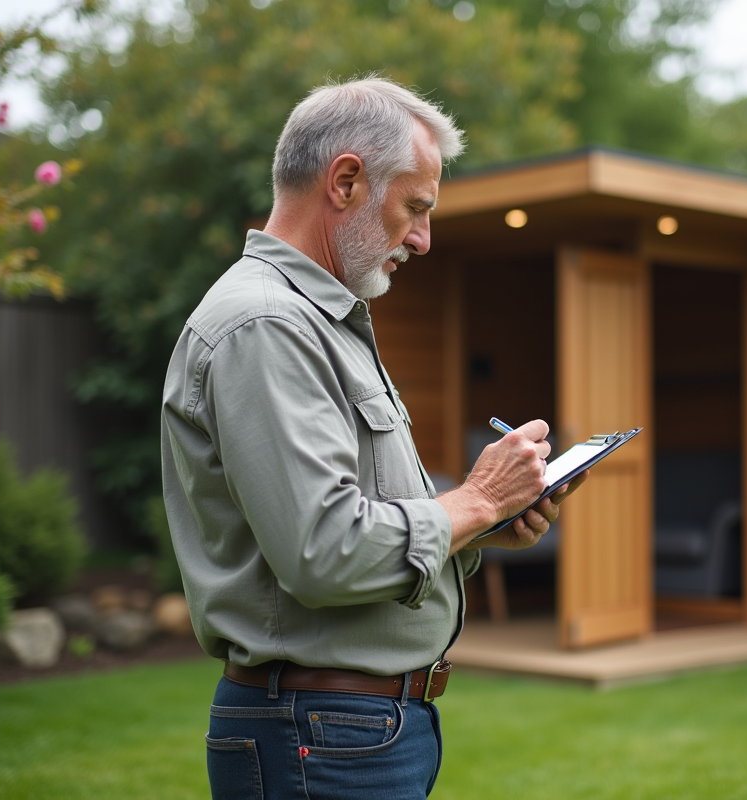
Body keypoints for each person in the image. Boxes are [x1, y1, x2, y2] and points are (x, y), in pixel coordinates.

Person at [161, 76, 587, 799]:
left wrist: (482, 527)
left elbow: (358, 522)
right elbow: (322, 550)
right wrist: (477, 502)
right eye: (416, 208)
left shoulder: (320, 323)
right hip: (318, 733)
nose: (422, 239)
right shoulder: (268, 325)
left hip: (347, 729)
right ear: (348, 181)